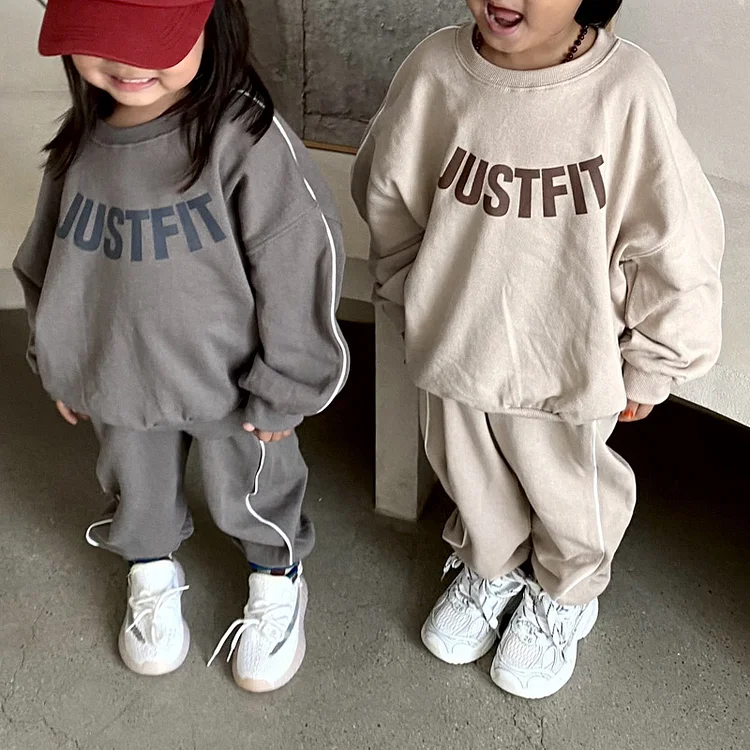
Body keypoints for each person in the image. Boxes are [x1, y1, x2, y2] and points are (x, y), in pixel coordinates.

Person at [352, 0, 723, 699]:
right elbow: (390, 191)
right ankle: (489, 566)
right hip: (458, 339)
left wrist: (657, 356)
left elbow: (675, 238)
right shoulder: (435, 70)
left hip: (568, 351)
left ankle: (566, 590)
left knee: (567, 487)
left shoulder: (626, 90)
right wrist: (406, 294)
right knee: (466, 468)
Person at [14, 0, 349, 693]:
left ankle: (276, 578)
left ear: (210, 23)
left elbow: (298, 260)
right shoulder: (82, 143)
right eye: (103, 40)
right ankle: (150, 568)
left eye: (149, 40)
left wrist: (289, 381)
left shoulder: (243, 136)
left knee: (252, 489)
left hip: (236, 388)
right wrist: (59, 358)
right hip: (121, 375)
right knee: (136, 490)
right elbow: (50, 259)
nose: (127, 62)